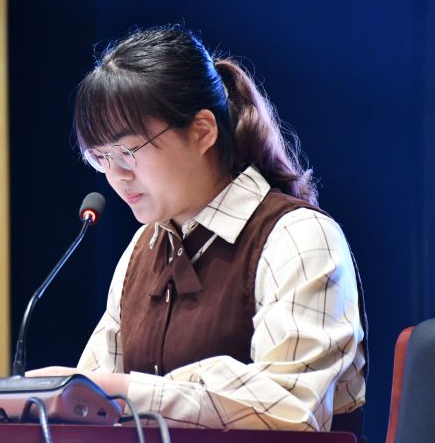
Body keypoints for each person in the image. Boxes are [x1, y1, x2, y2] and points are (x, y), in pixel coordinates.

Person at [27, 25, 367, 435]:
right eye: (100, 158)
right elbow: (93, 397)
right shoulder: (142, 248)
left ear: (203, 131)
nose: (116, 176)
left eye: (127, 152)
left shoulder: (298, 237)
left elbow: (290, 409)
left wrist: (128, 392)